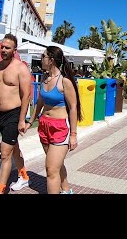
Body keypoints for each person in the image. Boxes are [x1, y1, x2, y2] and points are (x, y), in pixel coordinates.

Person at [25, 46, 82, 194]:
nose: (41, 58)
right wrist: (30, 122)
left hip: (59, 129)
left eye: (43, 56)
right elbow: (40, 103)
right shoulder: (44, 78)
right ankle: (67, 190)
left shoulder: (65, 81)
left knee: (51, 170)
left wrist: (74, 135)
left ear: (51, 60)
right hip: (44, 126)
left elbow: (74, 108)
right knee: (56, 165)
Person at [0, 33, 31, 194]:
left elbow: (26, 95)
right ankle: (24, 176)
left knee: (5, 154)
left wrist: (21, 120)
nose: (3, 50)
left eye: (7, 48)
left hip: (14, 113)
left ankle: (0, 189)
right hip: (0, 115)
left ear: (14, 50)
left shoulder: (21, 68)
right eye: (2, 47)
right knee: (14, 148)